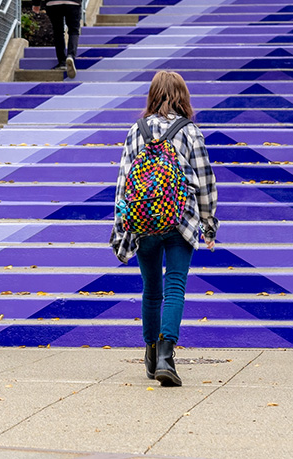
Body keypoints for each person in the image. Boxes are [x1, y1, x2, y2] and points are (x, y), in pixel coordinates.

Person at [110, 71, 219, 387]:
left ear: (153, 95)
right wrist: (209, 225)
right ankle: (166, 357)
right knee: (175, 286)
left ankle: (151, 350)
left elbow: (123, 184)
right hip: (180, 218)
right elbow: (205, 180)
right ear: (182, 96)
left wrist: (121, 229)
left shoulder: (136, 131)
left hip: (143, 221)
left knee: (151, 289)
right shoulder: (190, 132)